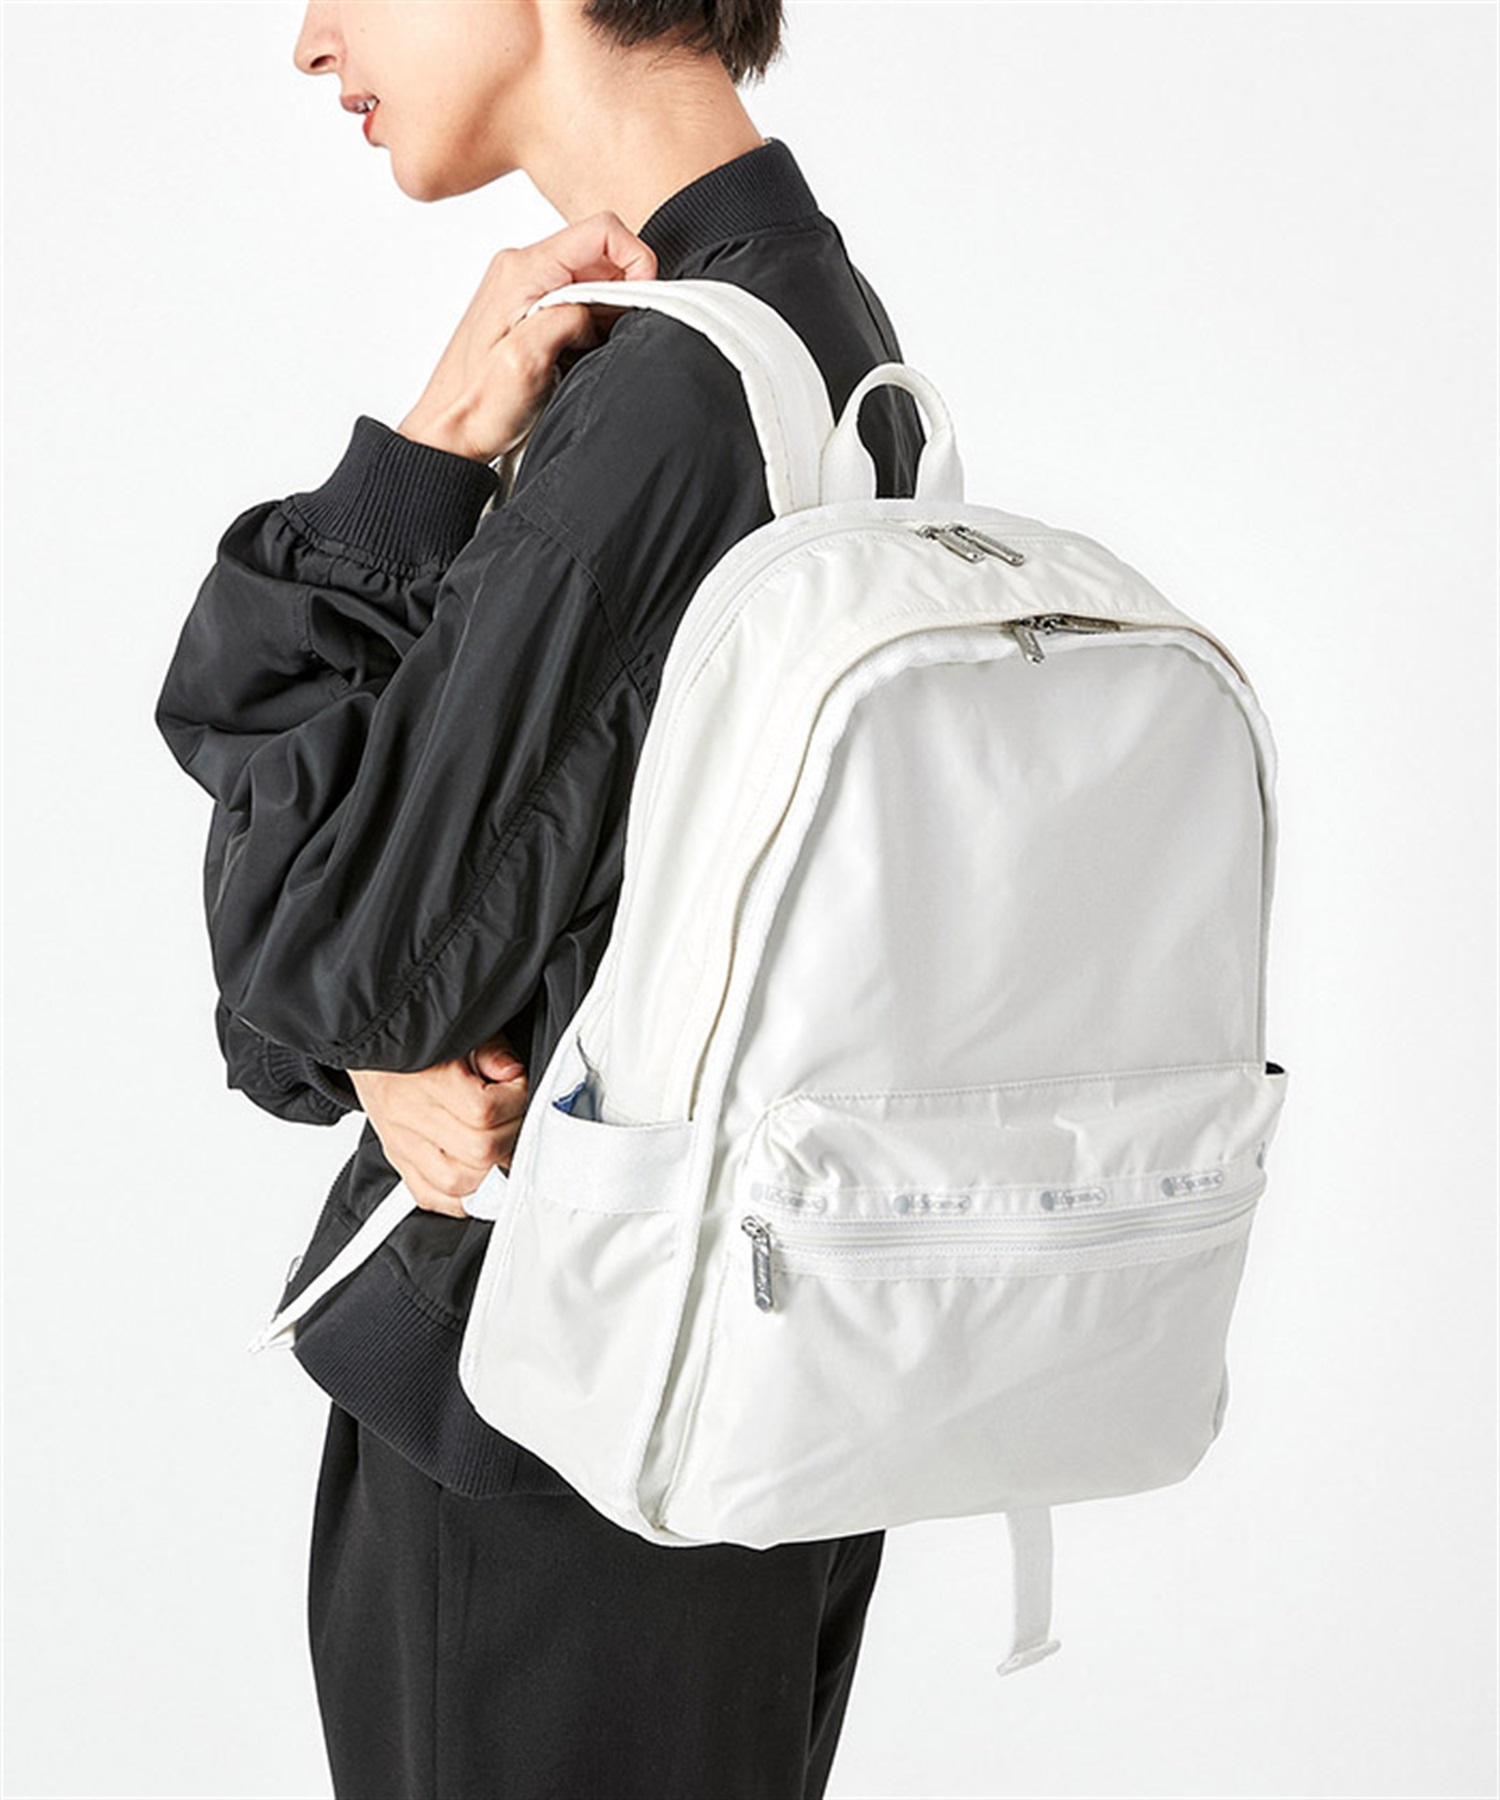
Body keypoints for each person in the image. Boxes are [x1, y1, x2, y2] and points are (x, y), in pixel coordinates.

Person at [157, 2, 925, 1794]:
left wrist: (420, 458)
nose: (309, 39)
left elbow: (320, 962)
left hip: (557, 1435)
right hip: (737, 1396)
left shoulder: (673, 399)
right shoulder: (825, 335)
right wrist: (363, 1037)